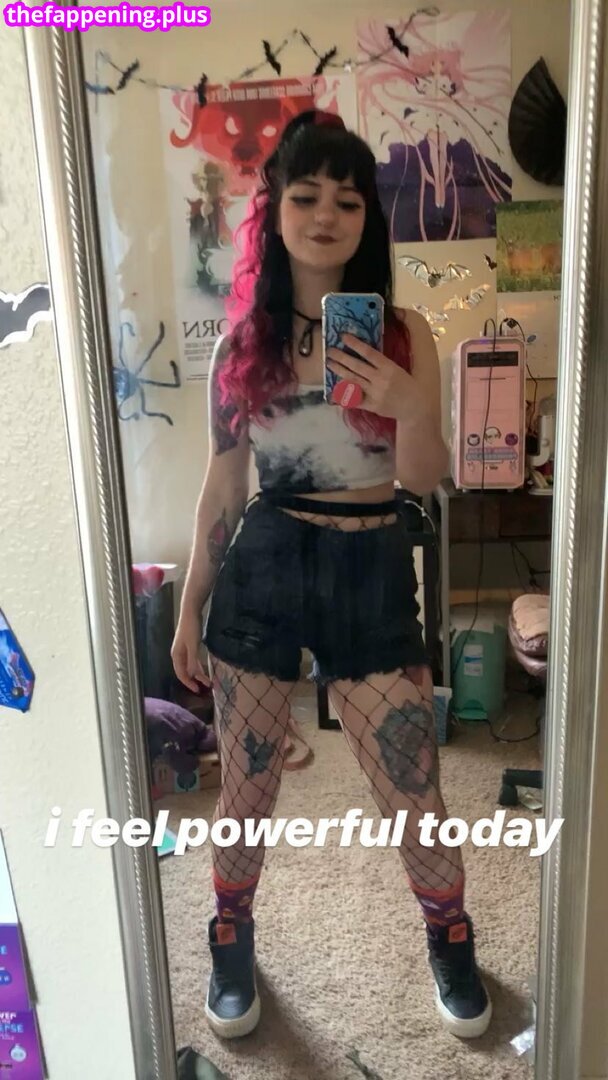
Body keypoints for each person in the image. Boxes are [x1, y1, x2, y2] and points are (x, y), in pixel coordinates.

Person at [171, 110, 492, 1042]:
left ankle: (449, 937)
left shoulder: (405, 333)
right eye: (304, 196)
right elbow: (223, 485)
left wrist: (408, 406)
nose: (324, 216)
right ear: (273, 212)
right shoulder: (241, 346)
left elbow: (425, 480)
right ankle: (231, 936)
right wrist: (189, 608)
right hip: (266, 562)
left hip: (371, 563)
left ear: (366, 219)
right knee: (247, 786)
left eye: (346, 201)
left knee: (412, 785)